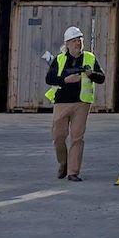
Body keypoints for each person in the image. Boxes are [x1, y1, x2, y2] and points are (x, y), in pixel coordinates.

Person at [45, 26, 104, 182]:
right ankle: (63, 163)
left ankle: (73, 172)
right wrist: (65, 80)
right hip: (62, 103)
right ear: (67, 44)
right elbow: (49, 79)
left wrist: (92, 74)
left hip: (81, 103)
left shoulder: (90, 58)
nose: (78, 43)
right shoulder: (59, 59)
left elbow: (101, 78)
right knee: (58, 137)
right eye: (74, 41)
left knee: (77, 137)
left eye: (80, 40)